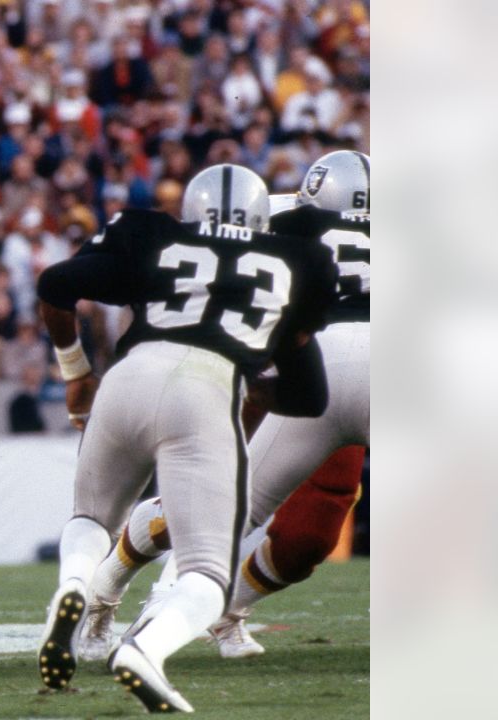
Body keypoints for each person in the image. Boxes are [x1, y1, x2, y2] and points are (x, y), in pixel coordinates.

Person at [34, 163, 337, 712]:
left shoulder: (149, 232)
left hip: (129, 376)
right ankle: (145, 649)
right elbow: (308, 398)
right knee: (205, 574)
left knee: (90, 518)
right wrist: (259, 389)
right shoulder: (303, 260)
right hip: (207, 389)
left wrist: (77, 369)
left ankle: (75, 584)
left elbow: (55, 285)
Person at [79, 151, 371, 661]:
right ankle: (111, 593)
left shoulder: (277, 212)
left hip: (309, 367)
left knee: (308, 532)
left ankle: (217, 613)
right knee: (214, 500)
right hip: (285, 366)